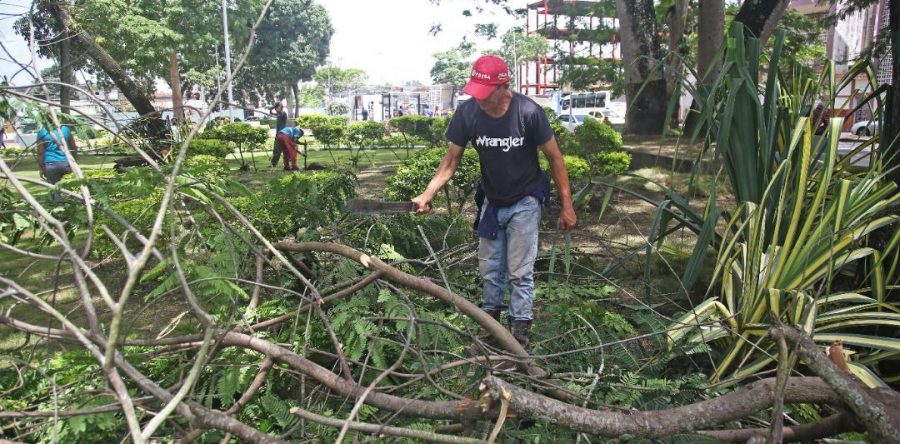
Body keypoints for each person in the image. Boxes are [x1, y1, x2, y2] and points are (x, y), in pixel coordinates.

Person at [412, 55, 576, 351]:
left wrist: (567, 205)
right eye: (477, 94)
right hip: (492, 200)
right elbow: (451, 160)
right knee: (489, 268)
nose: (481, 101)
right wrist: (428, 193)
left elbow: (555, 158)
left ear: (504, 86)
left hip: (525, 199)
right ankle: (490, 329)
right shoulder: (468, 113)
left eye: (486, 95)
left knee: (519, 270)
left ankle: (519, 333)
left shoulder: (528, 112)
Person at [36, 124, 77, 202]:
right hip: (66, 163)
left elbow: (40, 152)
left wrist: (41, 168)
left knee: (55, 190)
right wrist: (74, 162)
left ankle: (58, 207)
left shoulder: (42, 131)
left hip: (50, 164)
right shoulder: (65, 129)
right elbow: (73, 147)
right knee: (70, 187)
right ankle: (72, 204)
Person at [270, 103, 289, 168]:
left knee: (278, 149)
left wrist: (280, 106)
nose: (275, 110)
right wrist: (272, 108)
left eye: (276, 108)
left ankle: (274, 164)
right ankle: (274, 164)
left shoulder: (283, 113)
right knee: (277, 150)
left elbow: (280, 113)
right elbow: (271, 112)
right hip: (278, 134)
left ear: (280, 107)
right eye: (275, 108)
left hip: (282, 134)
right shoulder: (278, 114)